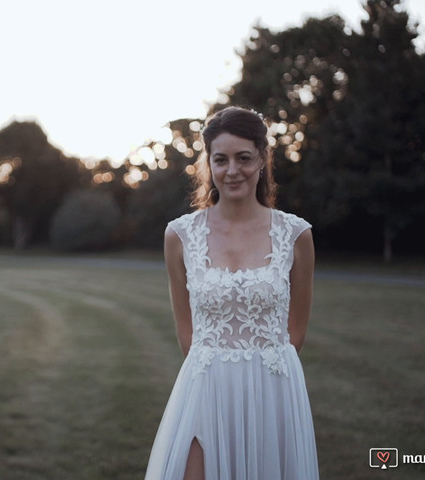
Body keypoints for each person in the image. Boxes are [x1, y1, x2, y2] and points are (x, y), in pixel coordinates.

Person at [145, 107, 319, 479]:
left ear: (262, 159)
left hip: (273, 389)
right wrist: (217, 375)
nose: (232, 170)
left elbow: (297, 331)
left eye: (243, 158)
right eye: (220, 160)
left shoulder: (296, 234)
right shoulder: (180, 235)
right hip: (205, 387)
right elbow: (185, 331)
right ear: (208, 163)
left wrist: (262, 373)